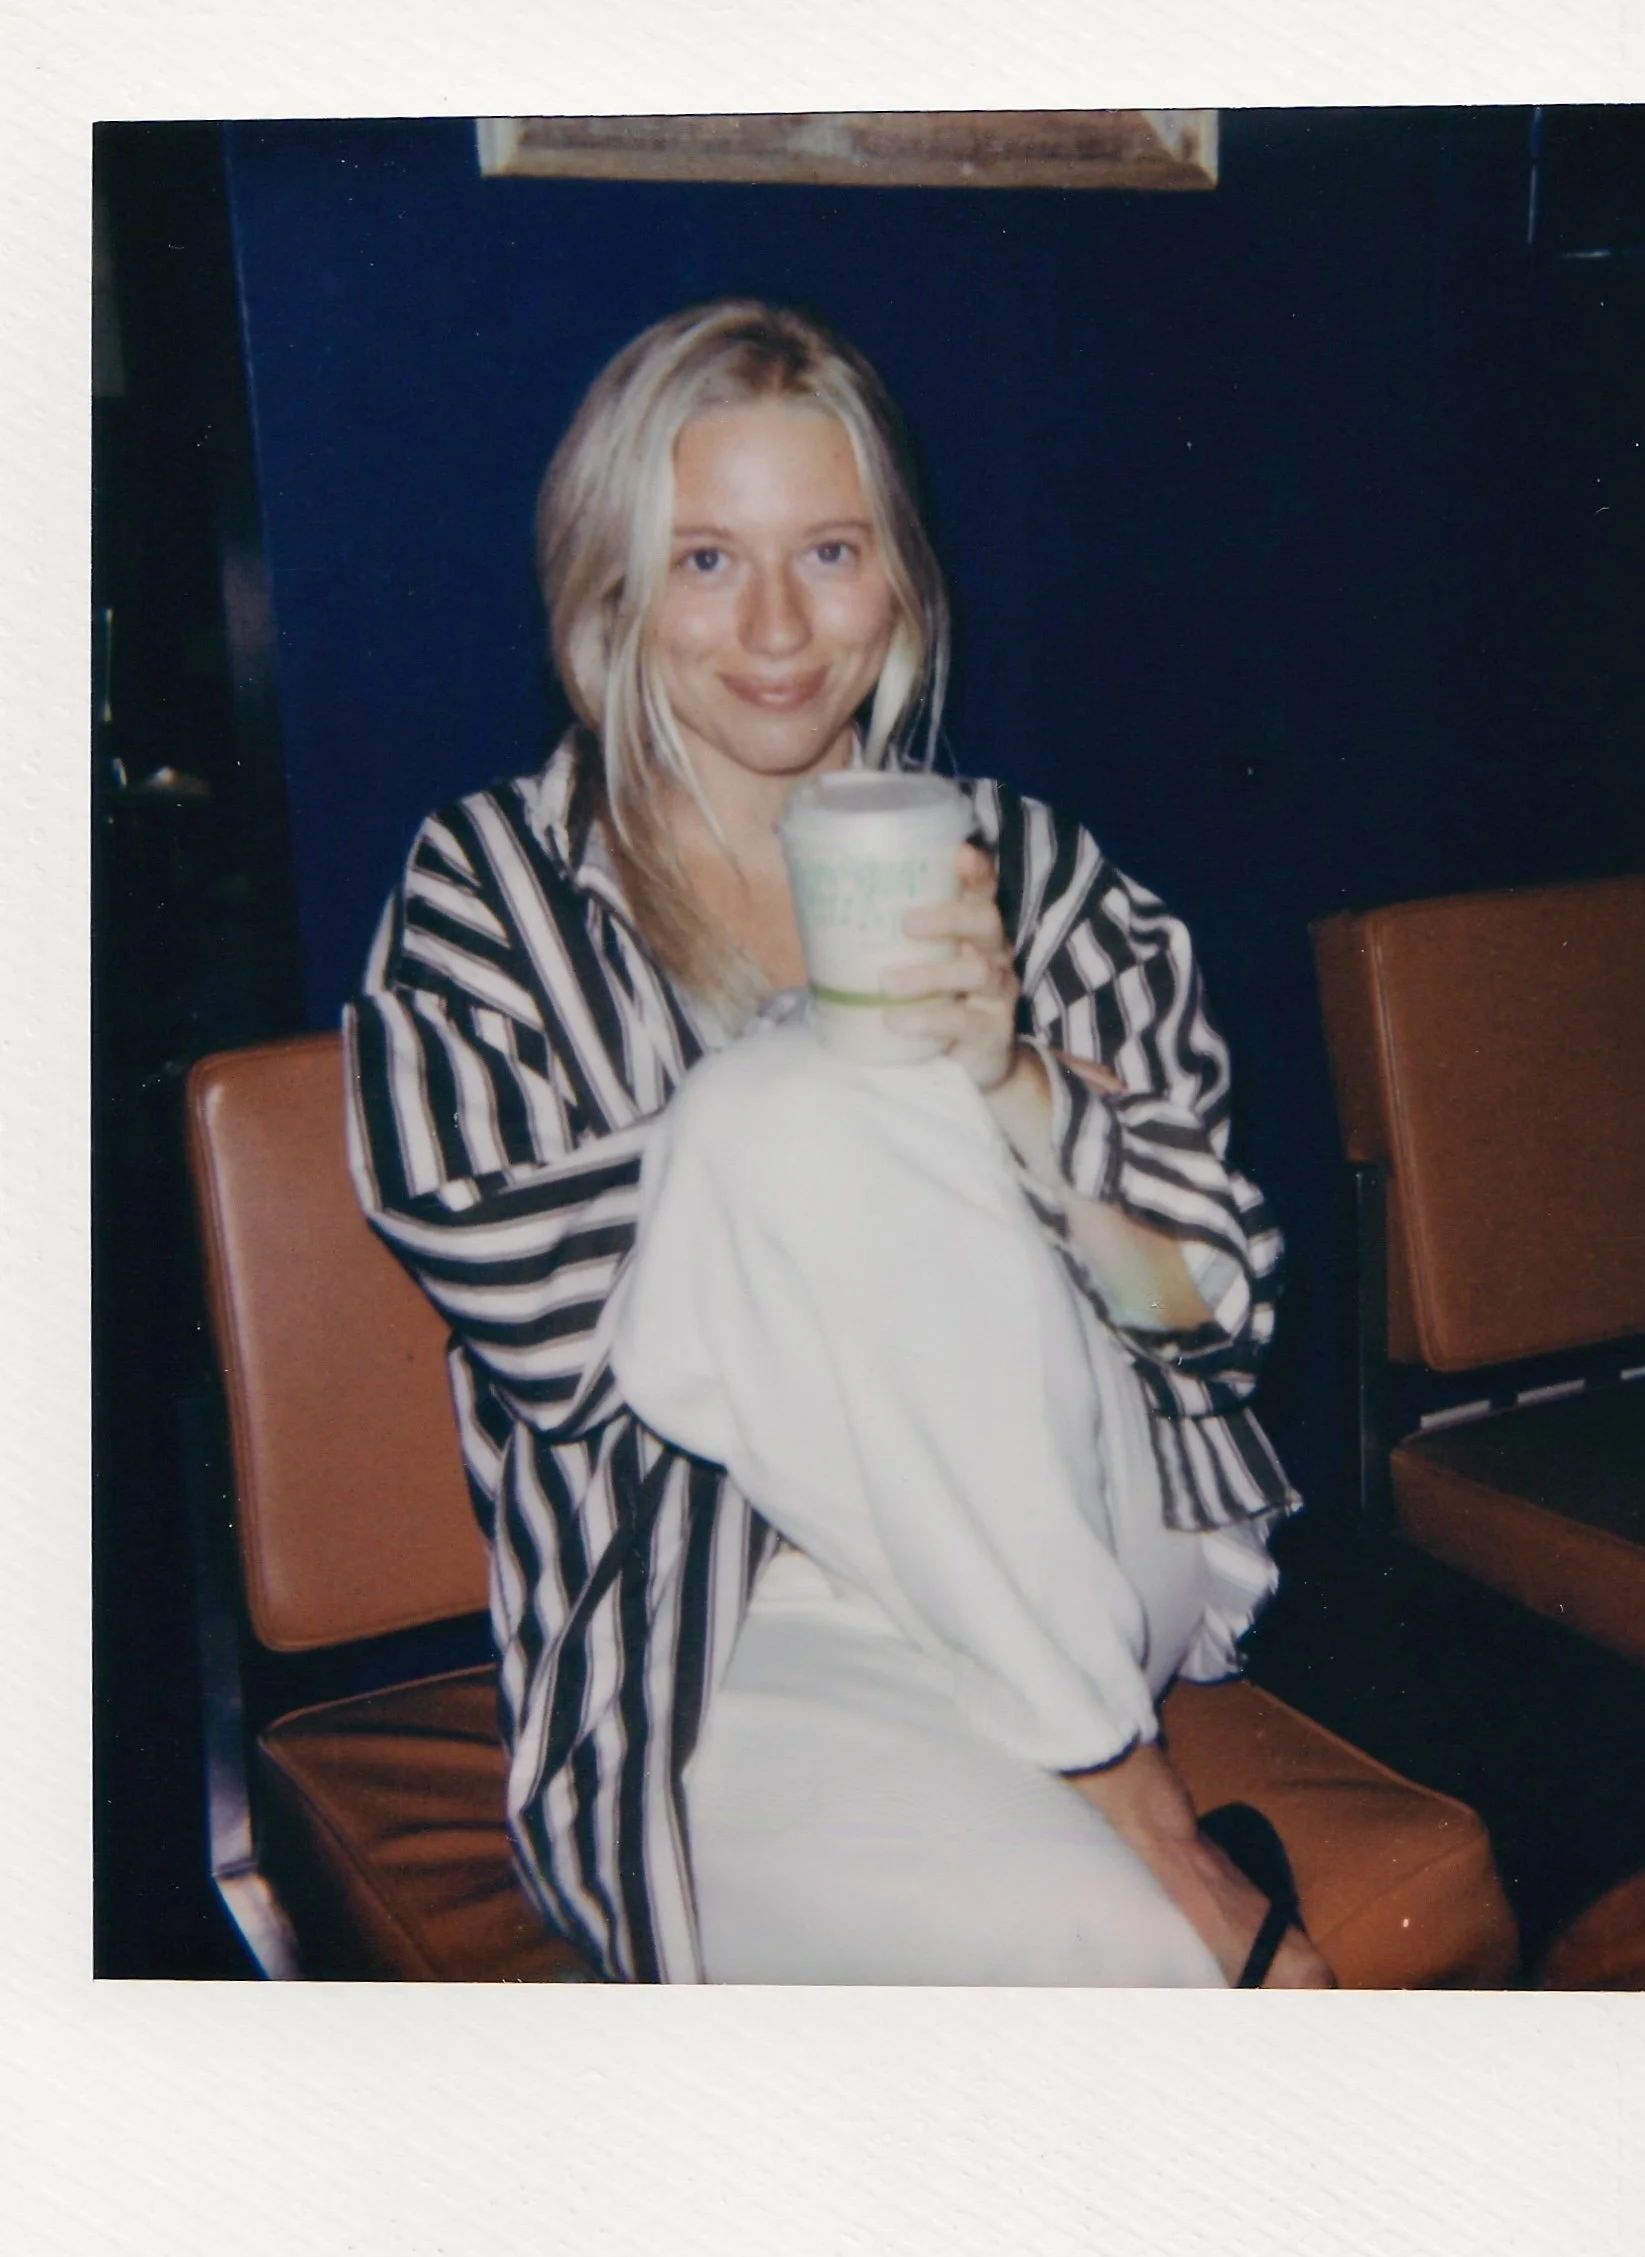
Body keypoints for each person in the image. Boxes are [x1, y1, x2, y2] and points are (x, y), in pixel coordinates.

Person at [345, 300, 1326, 1986]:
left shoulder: (1032, 873)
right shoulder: (490, 890)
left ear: (902, 586)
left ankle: (1126, 1780)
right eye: (705, 560)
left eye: (831, 551)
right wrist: (828, 1111)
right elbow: (544, 1319)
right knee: (1096, 1956)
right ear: (610, 590)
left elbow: (1211, 1320)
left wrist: (1019, 1086)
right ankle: (1155, 1862)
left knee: (793, 1111)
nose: (779, 628)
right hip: (731, 1602)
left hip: (1093, 1528)